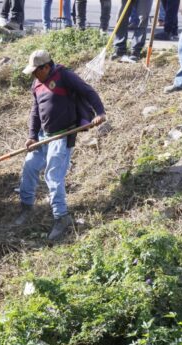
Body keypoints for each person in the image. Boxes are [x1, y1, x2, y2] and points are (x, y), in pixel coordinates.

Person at [15, 50, 107, 240]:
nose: (33, 75)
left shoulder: (64, 76)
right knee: (29, 167)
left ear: (46, 67)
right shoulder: (36, 84)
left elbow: (88, 91)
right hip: (43, 136)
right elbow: (35, 112)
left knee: (53, 175)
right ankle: (26, 208)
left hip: (62, 135)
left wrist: (99, 112)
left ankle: (61, 217)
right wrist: (32, 136)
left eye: (36, 71)